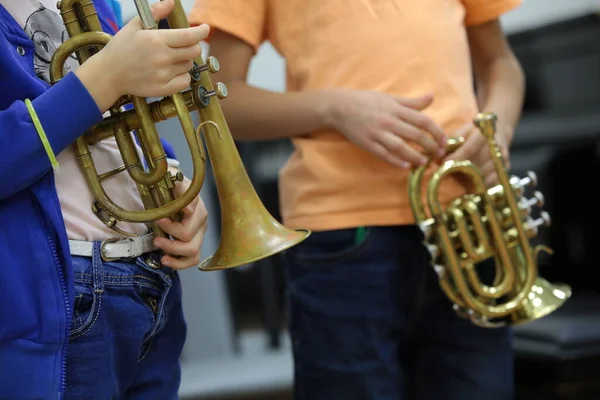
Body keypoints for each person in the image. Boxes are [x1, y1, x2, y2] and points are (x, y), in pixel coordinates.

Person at [188, 1, 525, 399]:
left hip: (467, 222)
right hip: (342, 238)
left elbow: (500, 64)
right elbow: (221, 101)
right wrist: (334, 109)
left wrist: (497, 130)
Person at [0, 0, 210, 398]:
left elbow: (119, 120)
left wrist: (173, 179)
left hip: (150, 274)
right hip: (61, 295)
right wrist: (106, 76)